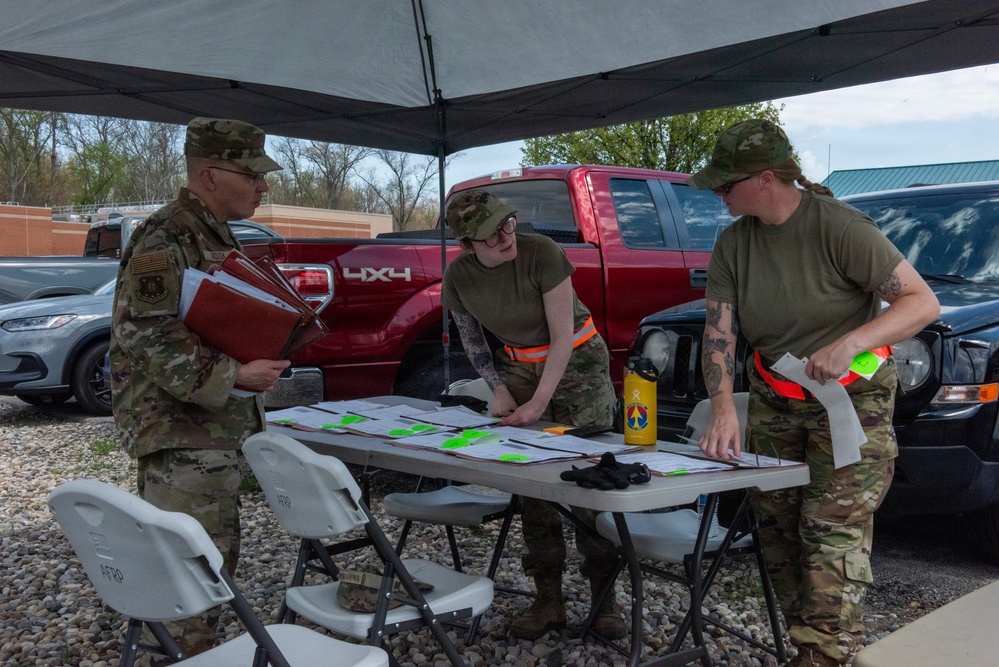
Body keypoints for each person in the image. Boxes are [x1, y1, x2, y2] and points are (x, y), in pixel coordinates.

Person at [688, 119, 940, 667]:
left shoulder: (840, 228)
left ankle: (823, 654)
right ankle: (813, 645)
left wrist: (853, 342)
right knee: (777, 530)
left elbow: (922, 303)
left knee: (829, 533)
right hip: (777, 401)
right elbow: (719, 332)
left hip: (850, 405)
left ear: (767, 179)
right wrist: (725, 409)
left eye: (725, 183)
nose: (717, 193)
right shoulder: (733, 243)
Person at [110, 117, 290, 657]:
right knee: (188, 576)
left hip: (206, 431)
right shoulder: (167, 235)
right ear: (210, 175)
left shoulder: (210, 232)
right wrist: (235, 376)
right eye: (253, 175)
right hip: (181, 434)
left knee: (206, 565)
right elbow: (143, 329)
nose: (263, 186)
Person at [440, 188, 626, 640]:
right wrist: (499, 391)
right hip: (518, 366)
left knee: (589, 478)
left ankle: (605, 599)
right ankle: (549, 601)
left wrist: (537, 406)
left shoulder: (542, 251)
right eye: (492, 234)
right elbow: (471, 339)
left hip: (578, 362)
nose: (507, 236)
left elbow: (562, 338)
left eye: (508, 223)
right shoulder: (459, 277)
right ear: (467, 246)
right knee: (531, 485)